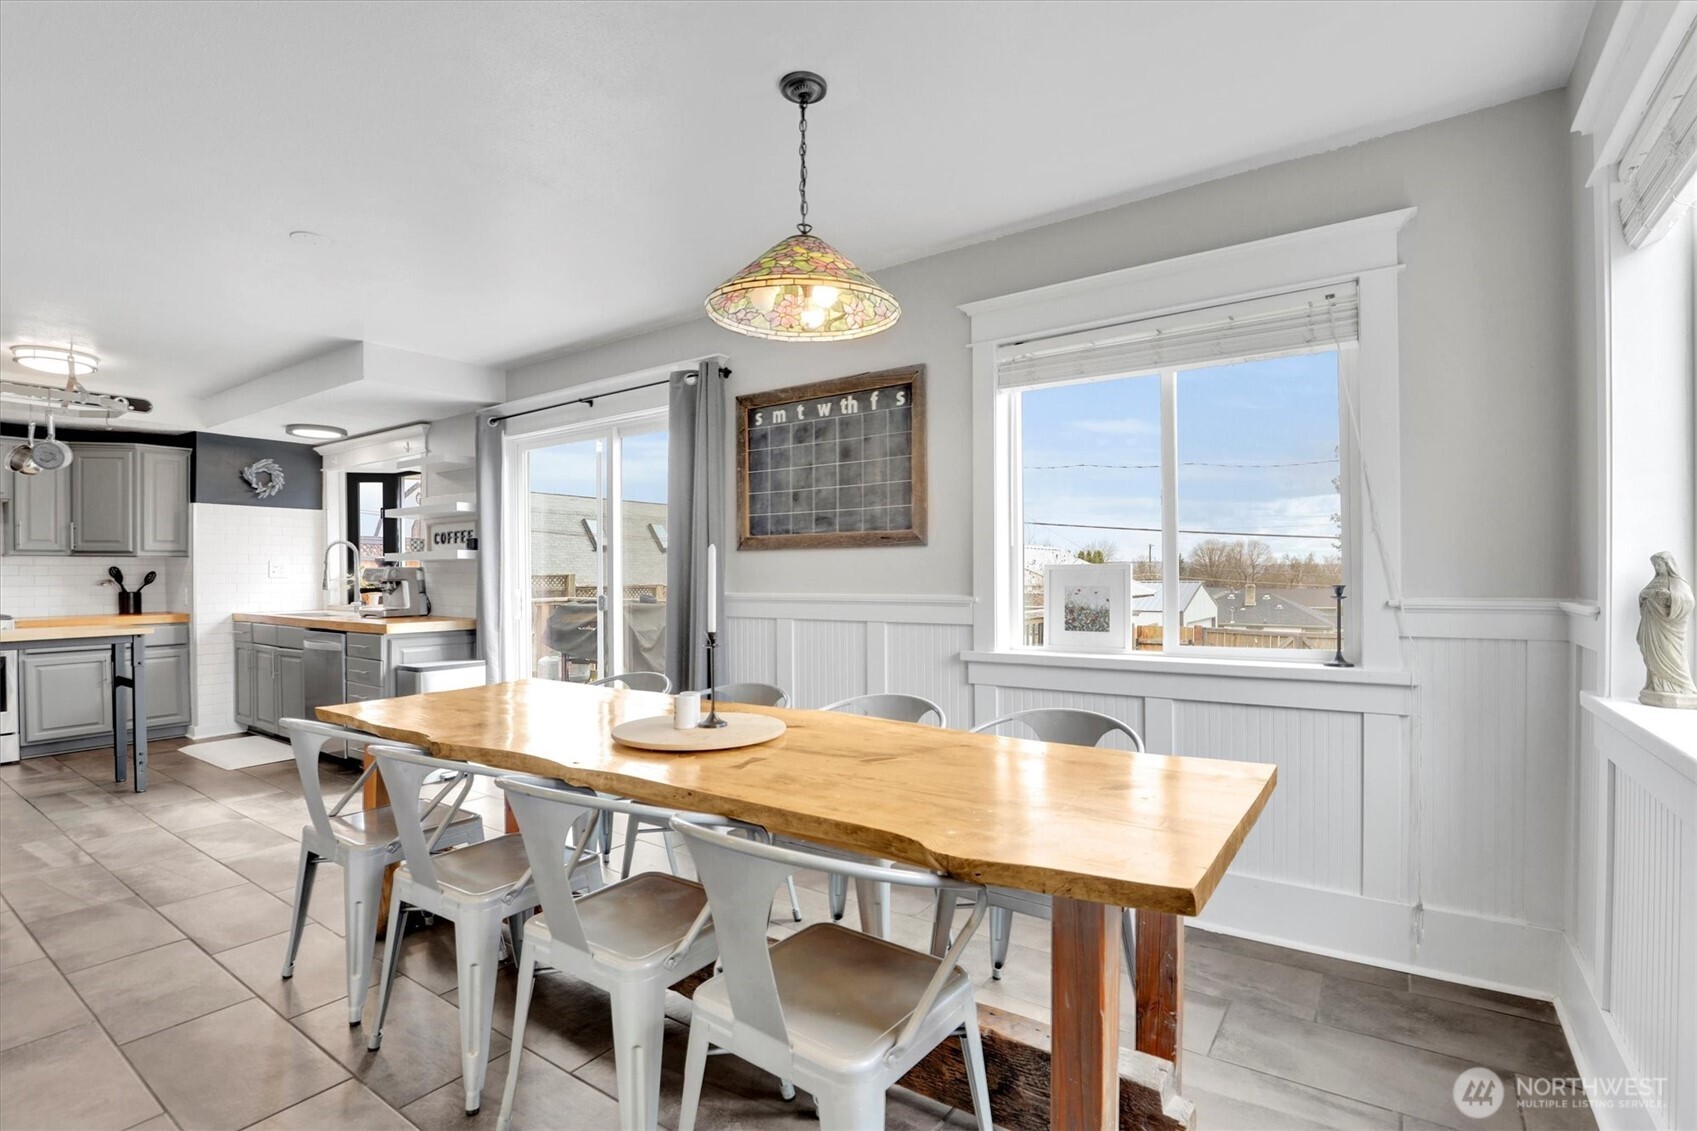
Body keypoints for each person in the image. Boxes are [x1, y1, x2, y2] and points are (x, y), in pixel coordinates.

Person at [1637, 551, 1697, 708]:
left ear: (1668, 565)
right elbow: (1642, 596)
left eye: (1659, 565)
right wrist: (1644, 595)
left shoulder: (1678, 582)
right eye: (1655, 565)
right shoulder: (1655, 581)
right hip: (1654, 626)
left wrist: (1670, 597)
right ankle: (1657, 685)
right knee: (1653, 654)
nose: (1657, 568)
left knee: (1672, 654)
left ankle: (1682, 686)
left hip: (1669, 628)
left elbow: (1689, 601)